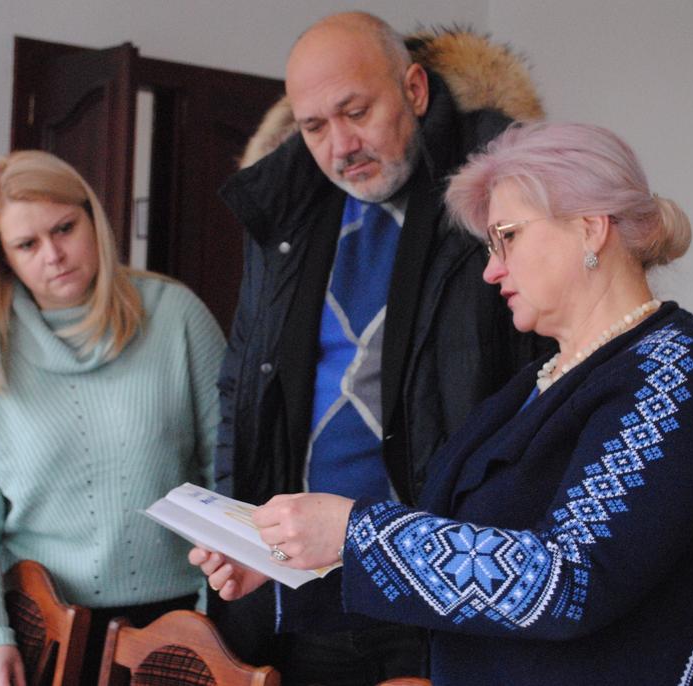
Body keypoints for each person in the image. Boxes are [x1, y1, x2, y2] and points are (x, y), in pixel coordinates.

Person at [194, 122, 693, 686]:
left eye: (507, 237)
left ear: (591, 228)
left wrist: (353, 530)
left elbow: (570, 581)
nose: (491, 270)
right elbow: (455, 575)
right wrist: (279, 569)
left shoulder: (679, 374)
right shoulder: (529, 387)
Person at [207, 11, 550, 684]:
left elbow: (545, 390)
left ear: (415, 90)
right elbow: (240, 387)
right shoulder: (283, 212)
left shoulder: (499, 189)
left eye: (357, 112)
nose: (341, 145)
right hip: (300, 591)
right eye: (314, 126)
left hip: (443, 597)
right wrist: (235, 525)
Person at [0, 150, 224, 685]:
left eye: (64, 228)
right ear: (3, 257)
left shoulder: (177, 317)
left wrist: (215, 610)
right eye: (27, 244)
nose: (54, 255)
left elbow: (229, 474)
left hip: (177, 624)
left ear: (93, 219)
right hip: (40, 627)